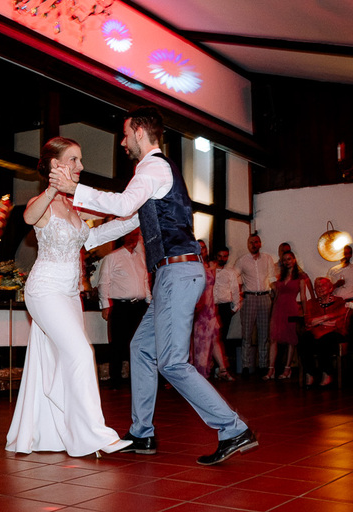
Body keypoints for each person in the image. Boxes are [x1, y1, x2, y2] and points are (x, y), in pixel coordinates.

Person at [49, 106, 256, 466]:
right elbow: (129, 217)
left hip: (178, 272)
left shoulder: (155, 167)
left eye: (126, 134)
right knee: (143, 348)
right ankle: (142, 433)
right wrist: (87, 236)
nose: (123, 141)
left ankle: (233, 428)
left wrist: (75, 189)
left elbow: (124, 203)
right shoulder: (148, 172)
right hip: (168, 276)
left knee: (173, 362)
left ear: (141, 133)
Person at [6, 136, 132, 457]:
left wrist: (135, 217)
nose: (81, 166)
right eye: (74, 160)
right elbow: (28, 217)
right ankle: (95, 436)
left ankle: (54, 434)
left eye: (80, 159)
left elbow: (92, 237)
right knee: (80, 353)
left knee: (62, 360)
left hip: (70, 294)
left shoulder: (73, 206)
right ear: (55, 165)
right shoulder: (45, 202)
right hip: (45, 290)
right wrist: (52, 189)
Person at [97, 228, 150, 389]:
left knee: (139, 344)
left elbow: (145, 281)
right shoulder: (112, 258)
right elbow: (103, 283)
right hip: (121, 307)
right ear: (123, 236)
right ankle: (115, 382)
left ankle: (137, 381)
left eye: (136, 235)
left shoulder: (141, 258)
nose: (134, 238)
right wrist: (105, 306)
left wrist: (149, 301)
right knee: (118, 345)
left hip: (140, 307)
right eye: (131, 234)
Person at [234, 233, 277, 377]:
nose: (254, 244)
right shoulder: (242, 260)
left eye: (256, 242)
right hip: (249, 298)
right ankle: (246, 366)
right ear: (248, 244)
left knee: (264, 334)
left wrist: (274, 294)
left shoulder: (267, 258)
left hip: (265, 297)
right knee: (246, 333)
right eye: (251, 242)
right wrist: (237, 292)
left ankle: (263, 365)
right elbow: (234, 277)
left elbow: (272, 277)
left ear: (260, 243)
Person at [191, 241, 234, 381]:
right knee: (199, 341)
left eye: (204, 247)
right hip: (198, 306)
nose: (202, 250)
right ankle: (198, 372)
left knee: (214, 339)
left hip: (209, 306)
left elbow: (213, 287)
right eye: (200, 248)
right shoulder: (193, 266)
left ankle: (222, 369)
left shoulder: (211, 266)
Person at [300, 277, 351, 387]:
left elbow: (340, 322)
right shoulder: (311, 303)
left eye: (322, 285)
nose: (319, 288)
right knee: (304, 338)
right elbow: (309, 322)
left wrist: (320, 320)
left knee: (325, 340)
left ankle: (327, 373)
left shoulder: (339, 301)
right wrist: (328, 319)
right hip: (316, 332)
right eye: (317, 286)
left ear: (330, 288)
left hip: (335, 333)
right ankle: (310, 372)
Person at [267, 250, 310, 380]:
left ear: (294, 260)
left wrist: (306, 313)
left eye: (289, 259)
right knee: (273, 338)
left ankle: (287, 369)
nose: (287, 262)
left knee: (291, 339)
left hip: (291, 308)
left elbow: (303, 297)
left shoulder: (300, 277)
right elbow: (275, 293)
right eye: (284, 260)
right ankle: (271, 370)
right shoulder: (280, 276)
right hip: (278, 308)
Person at [213, 246, 241, 370]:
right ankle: (212, 365)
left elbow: (235, 290)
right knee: (210, 337)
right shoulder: (210, 271)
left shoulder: (230, 272)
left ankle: (221, 367)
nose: (222, 258)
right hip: (211, 307)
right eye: (220, 256)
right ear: (216, 256)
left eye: (225, 256)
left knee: (222, 337)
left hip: (225, 308)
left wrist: (234, 308)